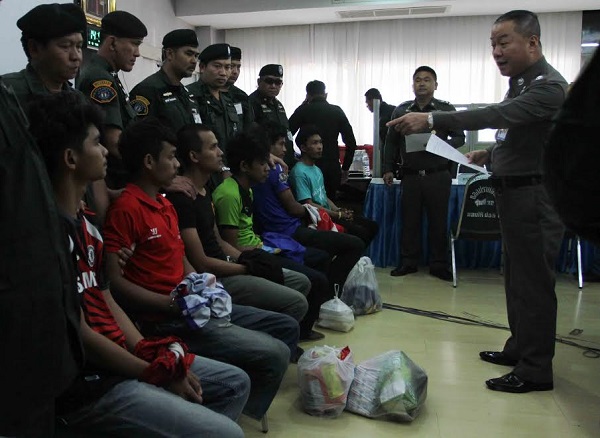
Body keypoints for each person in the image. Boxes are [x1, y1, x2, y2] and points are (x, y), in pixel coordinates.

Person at [29, 91, 249, 438]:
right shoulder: (46, 237)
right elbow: (81, 333)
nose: (105, 151)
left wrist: (148, 351)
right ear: (71, 158)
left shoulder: (87, 223)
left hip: (126, 350)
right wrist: (151, 370)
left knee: (233, 381)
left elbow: (105, 297)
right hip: (90, 381)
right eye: (96, 143)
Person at [389, 10, 567, 393]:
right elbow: (517, 133)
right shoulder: (521, 84)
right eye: (492, 44)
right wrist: (490, 155)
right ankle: (519, 348)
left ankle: (536, 370)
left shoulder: (549, 86)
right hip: (514, 192)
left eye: (504, 42)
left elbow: (499, 115)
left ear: (532, 42)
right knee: (516, 280)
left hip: (533, 197)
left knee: (533, 284)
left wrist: (434, 119)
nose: (496, 51)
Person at [102, 117, 297, 420]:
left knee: (283, 329)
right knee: (271, 354)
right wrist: (171, 304)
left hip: (191, 304)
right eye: (171, 157)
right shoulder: (127, 208)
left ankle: (243, 413)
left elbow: (181, 257)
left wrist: (202, 284)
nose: (177, 165)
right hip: (164, 319)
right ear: (149, 162)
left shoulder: (165, 204)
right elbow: (113, 281)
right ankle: (225, 416)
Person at [0, 6, 87, 436]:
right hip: (29, 232)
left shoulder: (74, 98)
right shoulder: (10, 95)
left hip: (70, 224)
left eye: (79, 47)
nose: (75, 57)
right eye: (65, 46)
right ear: (34, 48)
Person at [167, 123, 311, 328]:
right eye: (213, 147)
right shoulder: (184, 199)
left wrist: (248, 259)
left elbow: (217, 240)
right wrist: (245, 268)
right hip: (216, 276)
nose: (220, 152)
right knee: (296, 302)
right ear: (193, 156)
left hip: (228, 263)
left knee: (301, 280)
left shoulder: (204, 190)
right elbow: (201, 263)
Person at [212, 131, 332, 341]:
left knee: (319, 259)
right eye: (262, 163)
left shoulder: (246, 189)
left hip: (260, 246)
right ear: (244, 166)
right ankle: (296, 332)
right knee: (316, 280)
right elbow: (231, 245)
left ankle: (301, 328)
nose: (268, 168)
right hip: (251, 255)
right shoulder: (229, 194)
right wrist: (264, 256)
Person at [253, 121, 366, 291]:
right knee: (354, 243)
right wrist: (312, 211)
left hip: (288, 225)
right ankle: (329, 295)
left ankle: (328, 293)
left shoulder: (266, 168)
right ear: (267, 146)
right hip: (286, 230)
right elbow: (295, 207)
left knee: (347, 239)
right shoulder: (275, 168)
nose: (285, 150)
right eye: (281, 144)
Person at [383, 66, 465, 281]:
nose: (421, 83)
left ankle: (439, 264)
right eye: (418, 80)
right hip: (410, 175)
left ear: (435, 85)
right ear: (413, 85)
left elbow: (460, 137)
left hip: (438, 175)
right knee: (409, 221)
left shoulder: (445, 110)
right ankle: (408, 262)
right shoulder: (402, 111)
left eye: (427, 80)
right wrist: (388, 168)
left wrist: (439, 144)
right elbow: (390, 143)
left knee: (439, 222)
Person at [77, 10, 147, 191]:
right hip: (112, 180)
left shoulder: (107, 74)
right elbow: (114, 142)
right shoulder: (100, 79)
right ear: (112, 42)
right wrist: (149, 170)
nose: (137, 53)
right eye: (134, 44)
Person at [289, 125, 379, 249]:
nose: (320, 147)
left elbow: (323, 197)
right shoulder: (299, 172)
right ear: (303, 147)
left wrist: (338, 210)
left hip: (330, 213)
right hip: (319, 219)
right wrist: (337, 215)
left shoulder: (316, 169)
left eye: (320, 142)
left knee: (372, 226)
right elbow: (309, 205)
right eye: (314, 143)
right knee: (361, 233)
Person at [289, 80, 358, 200]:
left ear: (308, 95)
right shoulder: (337, 111)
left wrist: (292, 159)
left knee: (307, 203)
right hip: (332, 167)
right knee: (328, 202)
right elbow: (351, 143)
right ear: (325, 94)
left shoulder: (303, 110)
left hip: (307, 166)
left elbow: (287, 134)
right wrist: (345, 169)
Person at [129, 29, 202, 133]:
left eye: (196, 56)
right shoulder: (147, 90)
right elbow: (141, 138)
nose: (194, 61)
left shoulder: (186, 93)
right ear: (169, 54)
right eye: (189, 54)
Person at [188, 43, 242, 168]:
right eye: (217, 66)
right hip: (202, 170)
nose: (223, 72)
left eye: (227, 67)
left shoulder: (228, 100)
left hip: (230, 168)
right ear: (202, 67)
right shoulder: (190, 96)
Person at [249, 64, 296, 167]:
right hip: (266, 163)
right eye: (269, 81)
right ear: (259, 82)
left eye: (278, 82)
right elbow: (252, 136)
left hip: (284, 161)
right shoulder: (251, 103)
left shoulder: (278, 104)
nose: (273, 86)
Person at [224, 46, 255, 127]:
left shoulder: (241, 96)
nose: (235, 72)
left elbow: (249, 126)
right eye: (231, 66)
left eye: (238, 67)